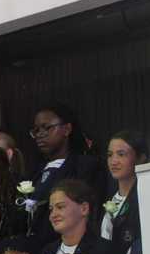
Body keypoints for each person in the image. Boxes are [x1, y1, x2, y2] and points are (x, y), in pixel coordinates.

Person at [27, 104, 106, 245]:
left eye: (47, 128)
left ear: (67, 129)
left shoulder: (85, 166)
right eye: (36, 130)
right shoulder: (33, 173)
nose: (39, 134)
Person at [102, 130, 148, 254]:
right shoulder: (105, 197)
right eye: (110, 155)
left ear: (140, 158)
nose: (114, 161)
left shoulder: (145, 198)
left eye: (121, 154)